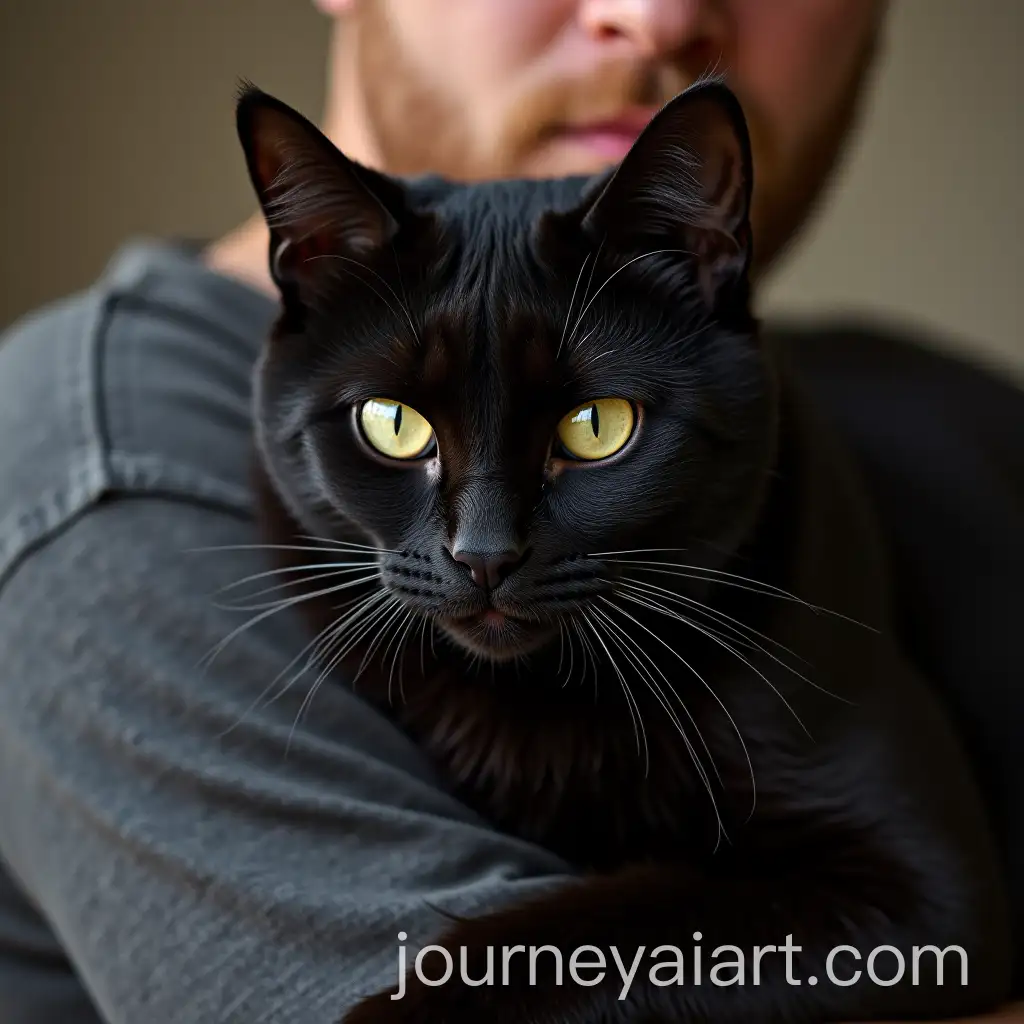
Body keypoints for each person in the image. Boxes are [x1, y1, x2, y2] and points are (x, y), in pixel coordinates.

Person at [0, 1, 1020, 1021]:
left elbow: (920, 926)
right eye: (397, 430)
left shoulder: (835, 426)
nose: (658, 16)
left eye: (595, 430)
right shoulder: (106, 499)